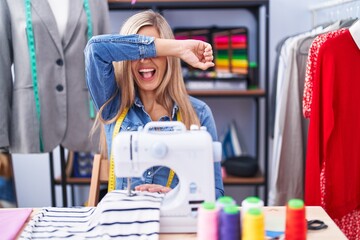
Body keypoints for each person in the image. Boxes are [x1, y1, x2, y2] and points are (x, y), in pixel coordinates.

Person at [85, 10, 224, 199]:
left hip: (174, 224)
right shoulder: (112, 104)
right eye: (137, 51)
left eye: (155, 52)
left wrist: (177, 196)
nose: (144, 60)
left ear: (169, 58)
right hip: (127, 223)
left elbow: (215, 192)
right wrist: (177, 47)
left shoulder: (198, 113)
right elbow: (95, 50)